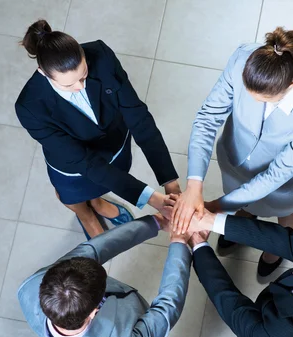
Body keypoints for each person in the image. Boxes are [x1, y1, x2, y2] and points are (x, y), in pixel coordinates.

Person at [173, 27, 293, 278]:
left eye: (262, 100)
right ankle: (245, 217)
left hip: (281, 180)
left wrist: (217, 207)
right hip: (234, 159)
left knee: (286, 207)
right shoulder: (242, 58)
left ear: (291, 84)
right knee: (243, 198)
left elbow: (278, 172)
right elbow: (207, 119)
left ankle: (277, 248)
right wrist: (194, 185)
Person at [16, 20, 180, 239]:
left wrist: (171, 183)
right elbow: (86, 163)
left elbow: (139, 118)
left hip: (113, 145)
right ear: (44, 74)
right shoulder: (30, 107)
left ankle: (98, 202)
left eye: (83, 75)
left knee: (107, 182)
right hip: (74, 165)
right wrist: (151, 198)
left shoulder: (101, 55)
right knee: (73, 196)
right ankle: (86, 216)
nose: (81, 87)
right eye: (69, 85)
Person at [17, 208, 192, 337]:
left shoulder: (32, 286)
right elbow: (167, 308)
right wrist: (180, 244)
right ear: (94, 311)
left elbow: (93, 250)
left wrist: (156, 222)